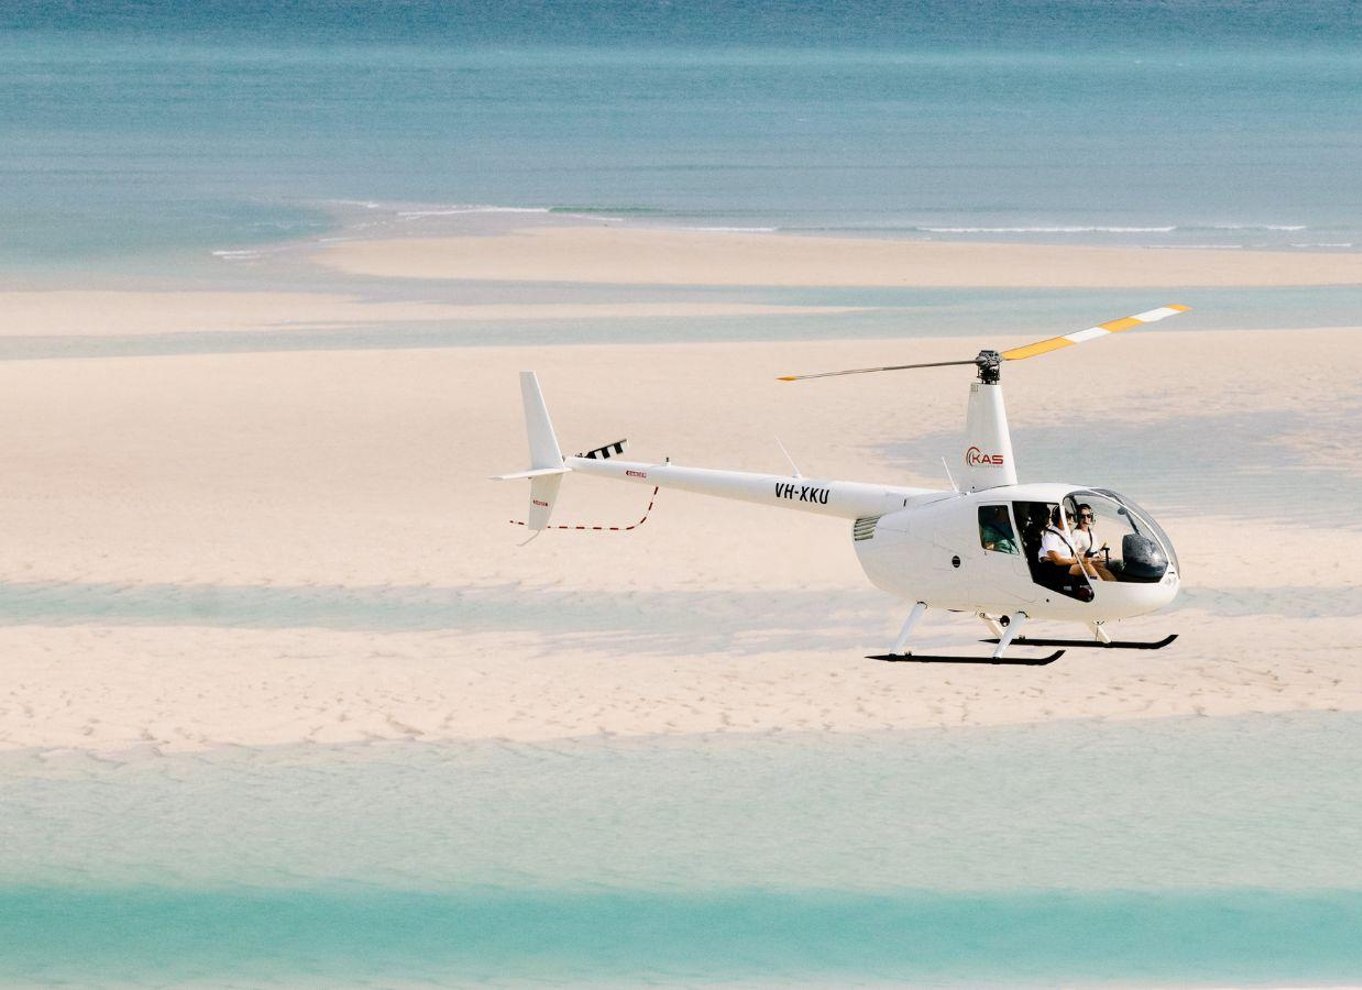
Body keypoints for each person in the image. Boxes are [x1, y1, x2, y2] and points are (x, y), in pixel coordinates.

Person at [1038, 506, 1111, 584]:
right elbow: (1058, 561)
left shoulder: (1064, 533)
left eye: (1070, 517)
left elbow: (1074, 554)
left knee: (1095, 565)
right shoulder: (1051, 535)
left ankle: (1110, 585)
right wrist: (1076, 561)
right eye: (1066, 518)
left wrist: (1091, 559)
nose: (1069, 521)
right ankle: (1101, 586)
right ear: (1056, 519)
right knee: (1087, 568)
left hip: (1066, 564)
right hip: (1054, 568)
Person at [1071, 503, 1115, 582]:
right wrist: (1091, 559)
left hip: (1098, 563)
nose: (1086, 519)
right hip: (1089, 566)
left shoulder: (1092, 534)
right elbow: (1074, 556)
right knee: (1110, 582)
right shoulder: (1076, 533)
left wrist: (1102, 557)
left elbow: (1096, 551)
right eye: (1082, 516)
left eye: (1088, 516)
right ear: (1077, 518)